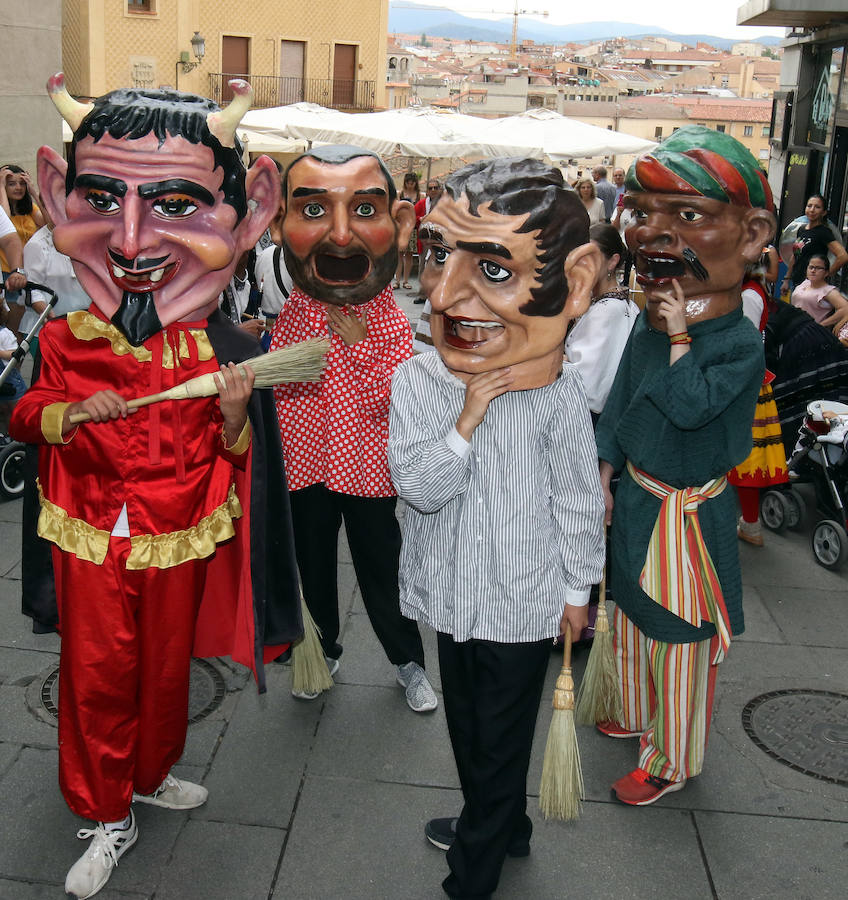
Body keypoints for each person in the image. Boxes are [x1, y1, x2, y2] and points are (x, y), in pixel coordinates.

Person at [10, 74, 301, 899]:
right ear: (61, 197)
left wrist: (239, 419)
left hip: (178, 529)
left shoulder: (222, 352)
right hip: (91, 529)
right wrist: (66, 414)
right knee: (99, 672)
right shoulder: (66, 338)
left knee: (166, 669)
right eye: (104, 196)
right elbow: (24, 416)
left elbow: (234, 453)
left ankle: (150, 772)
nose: (133, 239)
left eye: (174, 205)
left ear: (244, 214)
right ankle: (107, 815)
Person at [389, 157, 605, 900]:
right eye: (438, 255)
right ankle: (504, 821)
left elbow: (579, 499)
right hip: (449, 593)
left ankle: (472, 873)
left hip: (524, 597)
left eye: (494, 269)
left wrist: (579, 589)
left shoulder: (558, 396)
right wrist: (466, 420)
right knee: (469, 729)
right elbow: (417, 488)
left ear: (573, 285)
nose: (443, 294)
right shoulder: (418, 382)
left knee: (501, 736)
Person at [596, 125, 776, 806]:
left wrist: (676, 332)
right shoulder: (649, 322)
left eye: (688, 216)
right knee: (634, 616)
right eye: (641, 213)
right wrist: (605, 470)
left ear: (754, 233)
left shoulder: (735, 341)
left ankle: (672, 759)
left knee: (679, 639)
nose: (651, 235)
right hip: (641, 501)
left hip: (688, 516)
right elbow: (621, 402)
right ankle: (636, 712)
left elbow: (690, 405)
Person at [269, 145, 437, 713]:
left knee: (382, 572)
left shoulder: (389, 314)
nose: (339, 236)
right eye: (314, 212)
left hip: (367, 467)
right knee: (312, 566)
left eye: (364, 211)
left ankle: (408, 663)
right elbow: (287, 390)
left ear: (399, 224)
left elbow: (394, 401)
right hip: (307, 462)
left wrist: (361, 347)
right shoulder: (295, 309)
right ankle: (321, 652)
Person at [729, 273, 789, 547]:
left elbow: (745, 344)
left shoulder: (749, 295)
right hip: (742, 381)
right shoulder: (746, 291)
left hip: (744, 384)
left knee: (745, 458)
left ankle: (750, 524)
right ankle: (748, 524)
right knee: (741, 458)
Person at [565, 222, 639, 422]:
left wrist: (556, 361)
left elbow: (587, 386)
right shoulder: (612, 305)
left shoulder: (607, 311)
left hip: (587, 422)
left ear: (612, 261)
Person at [19, 219, 91, 355]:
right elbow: (34, 292)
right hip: (47, 330)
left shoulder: (87, 236)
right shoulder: (37, 244)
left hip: (84, 329)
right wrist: (54, 322)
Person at [784, 194, 848, 292]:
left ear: (824, 212)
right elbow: (796, 255)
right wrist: (787, 279)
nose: (812, 210)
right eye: (809, 206)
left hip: (813, 287)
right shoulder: (801, 229)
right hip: (797, 282)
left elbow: (843, 256)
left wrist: (826, 274)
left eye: (817, 207)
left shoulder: (823, 232)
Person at [790, 254, 848, 326]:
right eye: (811, 267)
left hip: (811, 332)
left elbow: (845, 308)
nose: (813, 271)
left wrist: (822, 325)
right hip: (794, 327)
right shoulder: (803, 284)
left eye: (818, 268)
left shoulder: (828, 291)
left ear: (826, 272)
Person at [413, 178, 443, 304]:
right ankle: (422, 294)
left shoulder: (444, 203)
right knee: (422, 267)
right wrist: (420, 218)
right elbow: (411, 217)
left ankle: (436, 293)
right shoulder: (422, 204)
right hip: (425, 241)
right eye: (430, 188)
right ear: (427, 191)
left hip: (441, 241)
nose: (433, 190)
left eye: (435, 187)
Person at [392, 171, 420, 290]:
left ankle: (406, 280)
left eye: (412, 183)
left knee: (409, 255)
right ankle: (397, 280)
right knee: (399, 254)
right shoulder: (400, 193)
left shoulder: (420, 195)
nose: (410, 185)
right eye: (408, 182)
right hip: (401, 227)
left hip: (413, 228)